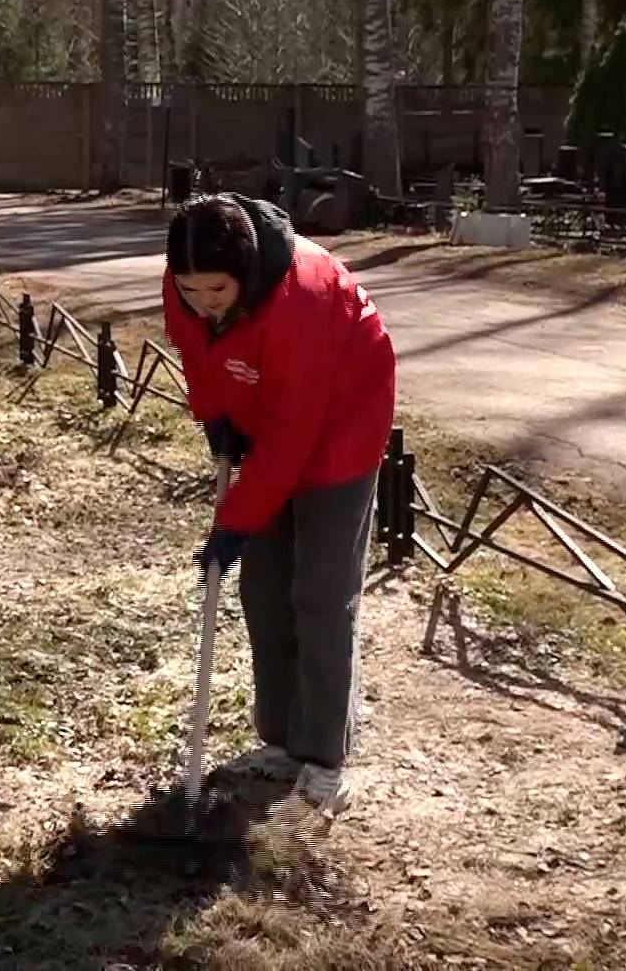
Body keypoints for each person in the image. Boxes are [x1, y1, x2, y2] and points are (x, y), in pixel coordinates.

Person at [161, 192, 396, 833]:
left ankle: (323, 756)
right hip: (269, 407)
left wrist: (234, 522)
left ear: (246, 269)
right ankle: (282, 738)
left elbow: (293, 438)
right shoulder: (186, 281)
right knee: (264, 587)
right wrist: (215, 418)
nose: (202, 303)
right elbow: (197, 354)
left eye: (216, 290)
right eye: (189, 290)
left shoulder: (304, 300)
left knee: (320, 592)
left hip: (343, 420)